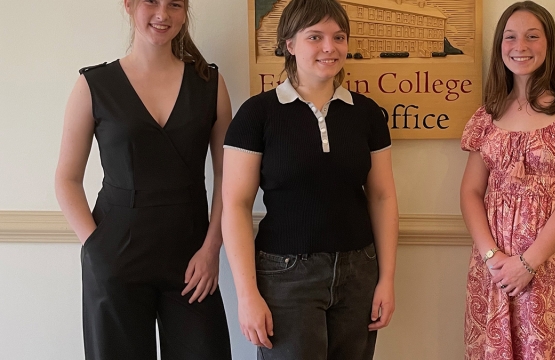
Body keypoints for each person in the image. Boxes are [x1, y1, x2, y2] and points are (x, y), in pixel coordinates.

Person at [54, 0, 233, 359]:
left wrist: (212, 249)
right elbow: (66, 178)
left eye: (175, 5)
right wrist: (97, 249)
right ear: (129, 6)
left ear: (185, 11)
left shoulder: (209, 83)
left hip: (192, 257)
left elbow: (228, 176)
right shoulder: (94, 84)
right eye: (151, 1)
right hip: (115, 255)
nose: (162, 14)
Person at [220, 0, 399, 358]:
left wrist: (386, 280)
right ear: (289, 44)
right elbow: (236, 206)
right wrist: (246, 295)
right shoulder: (257, 114)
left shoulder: (366, 114)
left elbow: (382, 197)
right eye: (315, 37)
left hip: (358, 273)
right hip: (286, 277)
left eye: (338, 37)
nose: (329, 47)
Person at [460, 2, 555, 359]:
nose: (520, 46)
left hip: (549, 263)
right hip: (493, 268)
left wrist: (527, 262)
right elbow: (470, 191)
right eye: (510, 37)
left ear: (549, 44)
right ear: (500, 46)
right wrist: (493, 257)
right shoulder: (487, 115)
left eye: (532, 36)